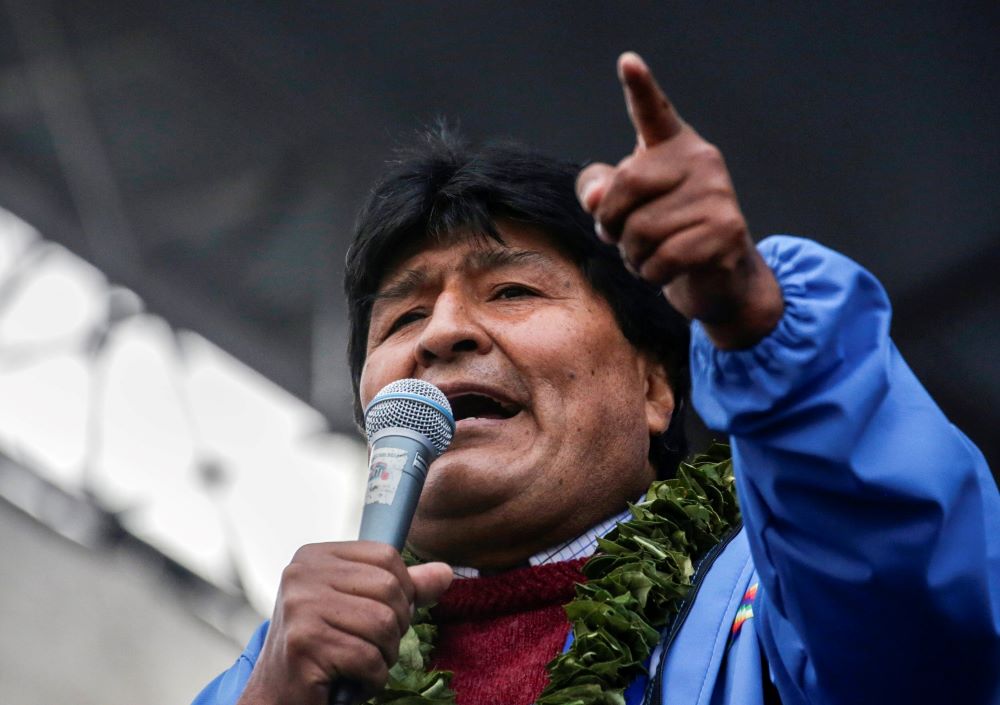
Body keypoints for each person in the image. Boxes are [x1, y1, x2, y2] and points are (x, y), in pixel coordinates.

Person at [193, 53, 1000, 705]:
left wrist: (759, 325)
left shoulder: (775, 613)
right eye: (402, 319)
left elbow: (925, 637)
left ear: (657, 387)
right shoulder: (283, 674)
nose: (441, 333)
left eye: (512, 290)